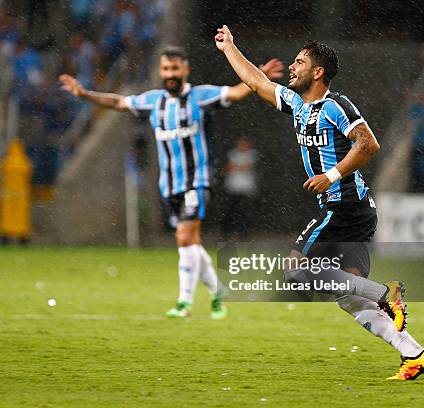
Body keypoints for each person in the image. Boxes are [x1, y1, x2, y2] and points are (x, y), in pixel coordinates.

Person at [214, 25, 424, 380]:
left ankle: (385, 292)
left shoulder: (335, 106)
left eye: (299, 62)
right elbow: (257, 83)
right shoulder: (298, 104)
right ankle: (415, 353)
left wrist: (330, 176)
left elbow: (368, 144)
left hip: (343, 206)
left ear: (318, 72)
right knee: (349, 296)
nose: (291, 67)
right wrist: (229, 49)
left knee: (294, 270)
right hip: (356, 211)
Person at [59, 46, 284, 319]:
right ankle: (217, 293)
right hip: (169, 185)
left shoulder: (200, 97)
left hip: (196, 181)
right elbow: (119, 102)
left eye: (175, 69)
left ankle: (184, 303)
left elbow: (236, 92)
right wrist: (84, 94)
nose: (170, 74)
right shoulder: (154, 101)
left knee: (184, 237)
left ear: (185, 70)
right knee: (192, 244)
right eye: (166, 69)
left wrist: (259, 77)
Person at [222, 136, 258, 239]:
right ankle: (227, 233)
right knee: (230, 212)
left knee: (244, 213)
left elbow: (248, 167)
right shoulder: (232, 153)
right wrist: (238, 166)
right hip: (232, 187)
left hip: (246, 189)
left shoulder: (252, 154)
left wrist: (236, 166)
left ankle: (244, 234)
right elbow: (226, 168)